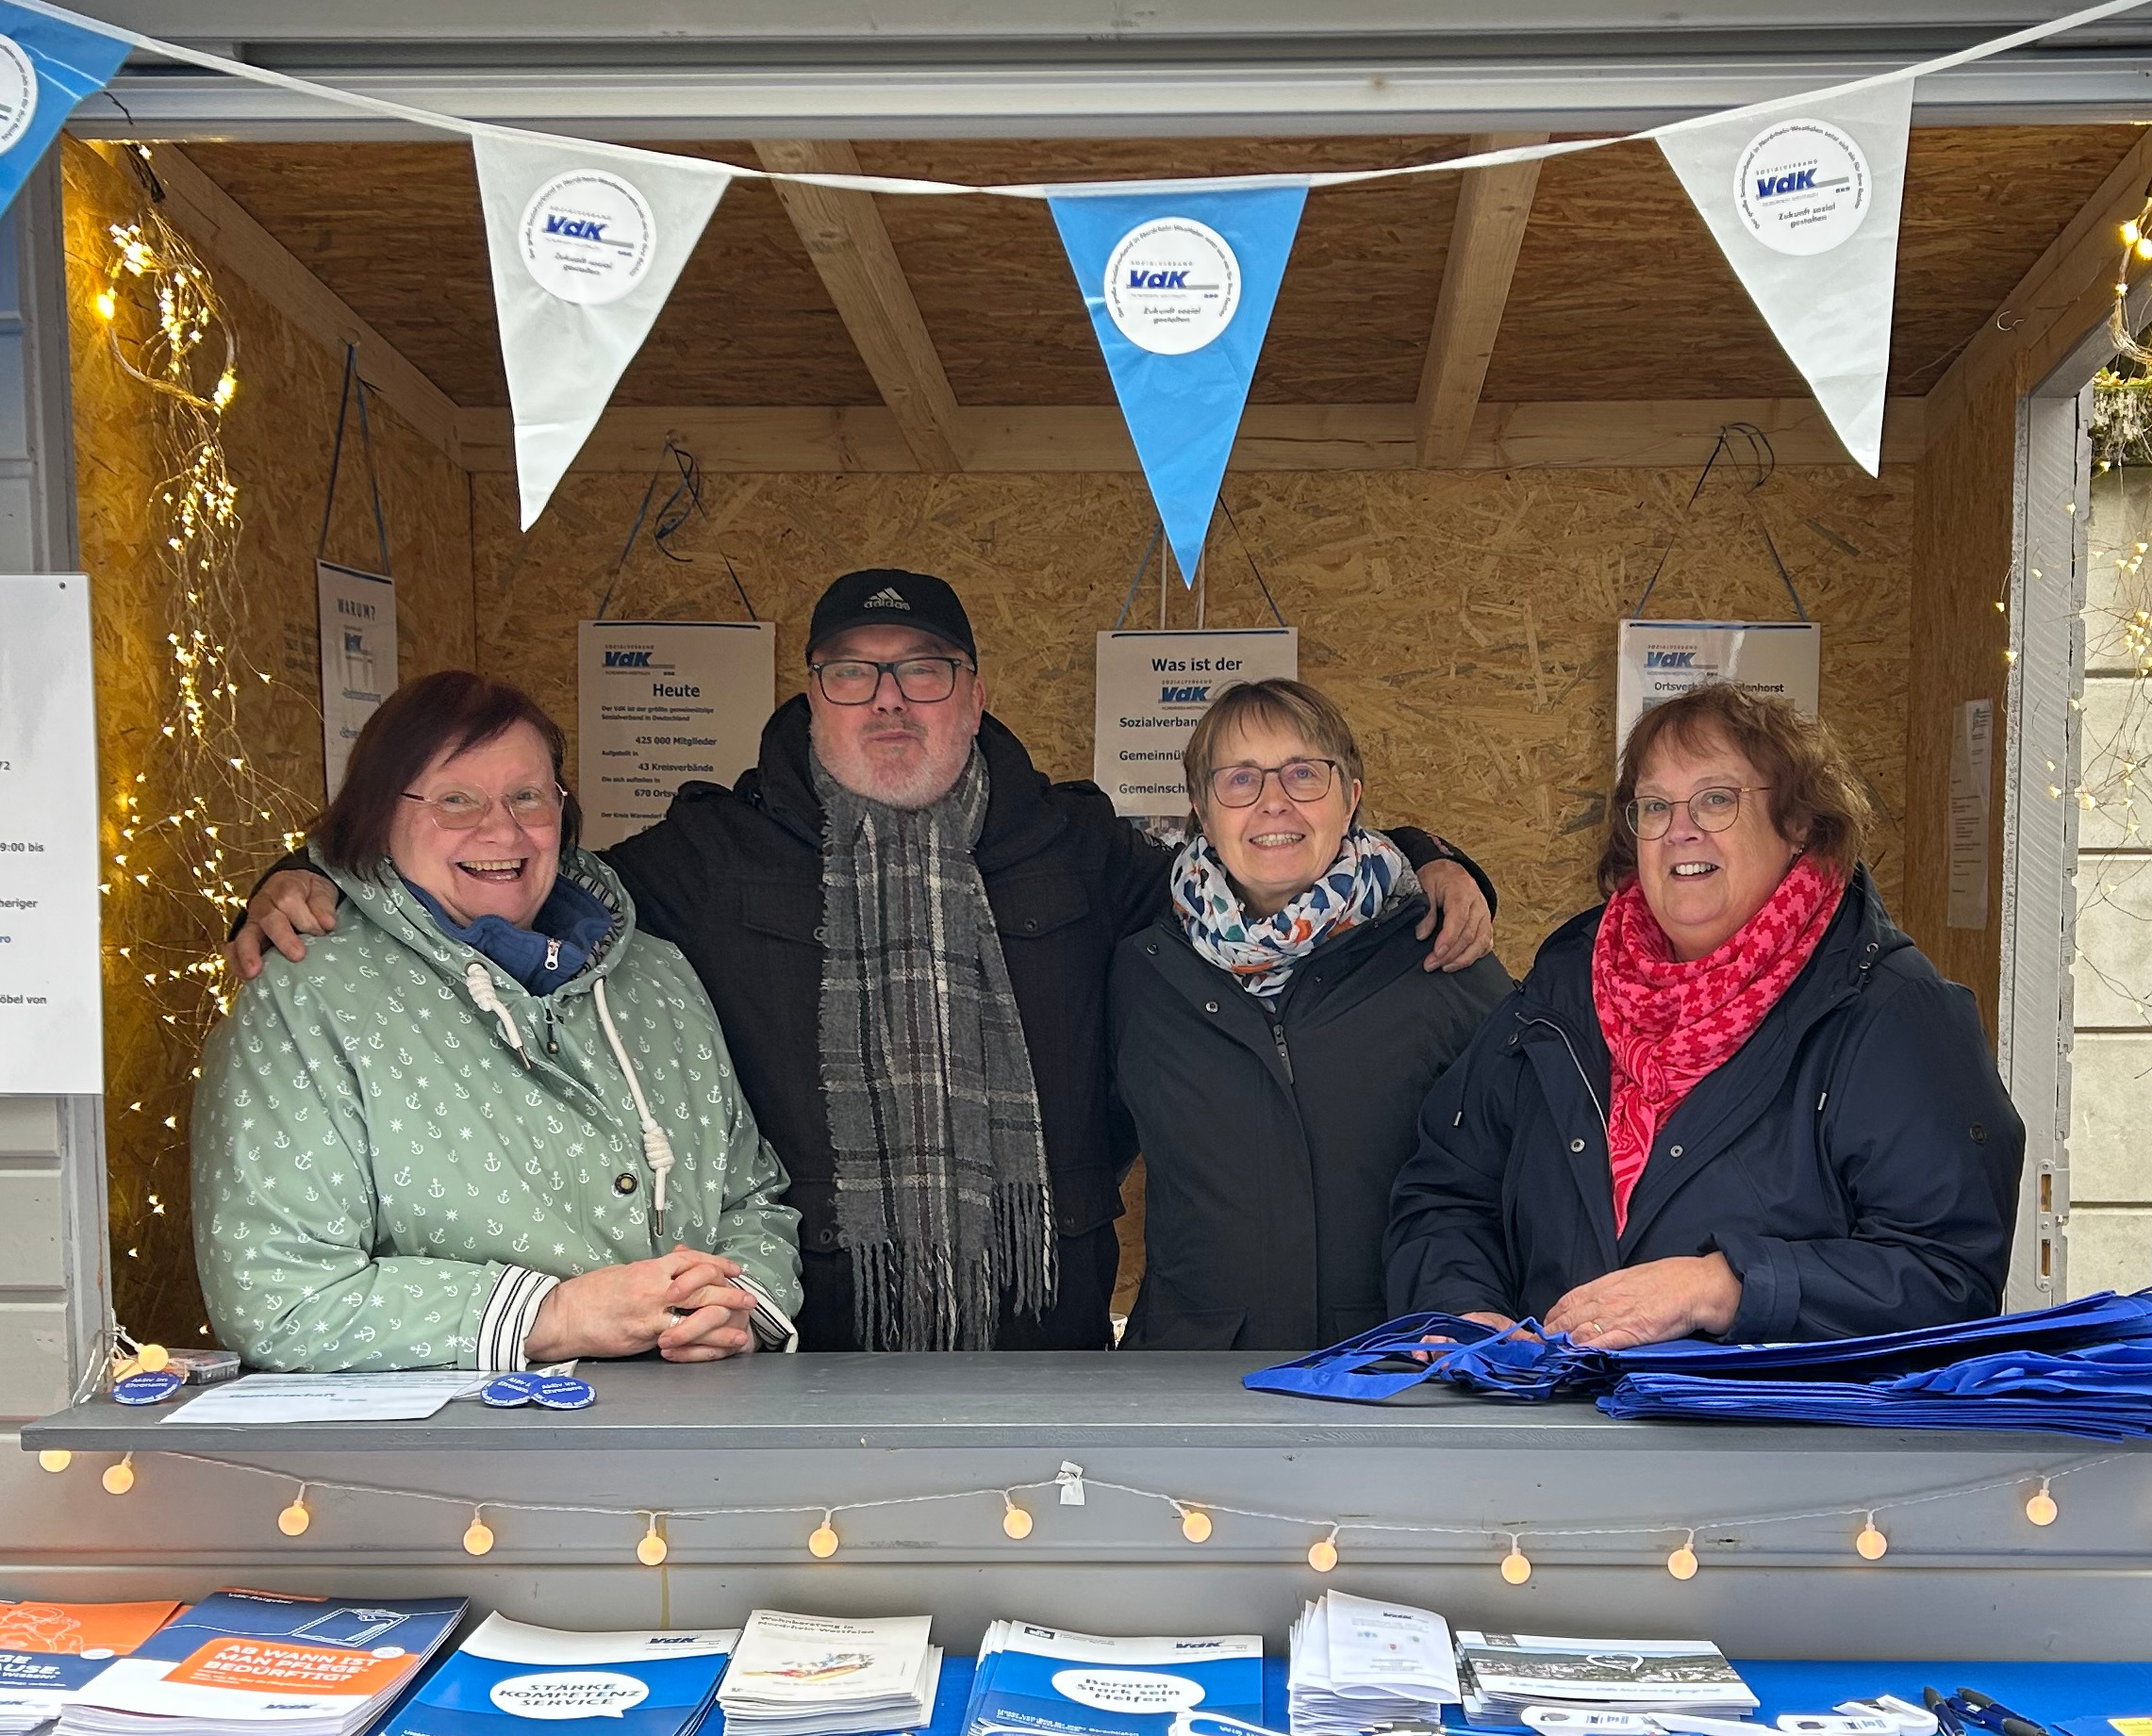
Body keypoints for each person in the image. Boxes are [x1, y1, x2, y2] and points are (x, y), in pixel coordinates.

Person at [229, 569, 1496, 1351]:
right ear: (813, 692)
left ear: (974, 690)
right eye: (854, 674)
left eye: (924, 672)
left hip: (1045, 1345)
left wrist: (1432, 861)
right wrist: (307, 873)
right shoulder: (713, 856)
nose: (890, 700)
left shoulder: (1075, 847)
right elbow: (525, 870)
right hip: (809, 1354)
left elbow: (1251, 871)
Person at [193, 670, 799, 1373]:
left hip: (695, 1441)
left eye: (527, 797)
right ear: (378, 814)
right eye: (455, 800)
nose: (501, 829)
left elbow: (753, 1196)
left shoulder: (656, 976)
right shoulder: (308, 997)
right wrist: (555, 1318)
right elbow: (276, 1296)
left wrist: (737, 1305)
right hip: (456, 1466)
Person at [1383, 680, 2020, 1346]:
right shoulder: (1563, 988)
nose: (1680, 829)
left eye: (1717, 799)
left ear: (1799, 823)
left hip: (1775, 1442)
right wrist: (1461, 1305)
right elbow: (1447, 1192)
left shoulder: (1891, 1010)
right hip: (1562, 1430)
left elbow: (1949, 1276)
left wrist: (1724, 1288)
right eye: (1654, 806)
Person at [1112, 678, 1509, 1349]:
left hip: (1393, 1369)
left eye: (1303, 774)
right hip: (1193, 1376)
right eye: (1239, 780)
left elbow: (1518, 1179)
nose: (1273, 803)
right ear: (1202, 811)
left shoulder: (1444, 959)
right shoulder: (1143, 972)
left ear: (1351, 796)